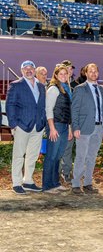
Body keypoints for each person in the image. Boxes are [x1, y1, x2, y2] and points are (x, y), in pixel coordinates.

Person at [6, 60, 46, 195]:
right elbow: (10, 105)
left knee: (32, 155)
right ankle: (17, 182)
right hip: (22, 125)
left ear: (34, 70)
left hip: (38, 126)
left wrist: (43, 121)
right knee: (18, 155)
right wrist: (13, 124)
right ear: (21, 71)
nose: (28, 71)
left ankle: (28, 181)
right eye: (25, 69)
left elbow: (42, 106)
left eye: (31, 68)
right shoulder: (16, 85)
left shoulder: (41, 86)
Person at [71, 63, 103, 194]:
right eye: (91, 71)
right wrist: (75, 127)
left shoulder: (102, 90)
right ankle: (76, 184)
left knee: (92, 157)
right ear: (86, 74)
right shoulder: (79, 89)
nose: (93, 74)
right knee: (81, 157)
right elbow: (74, 109)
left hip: (99, 128)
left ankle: (88, 183)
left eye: (95, 71)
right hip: (84, 128)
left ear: (98, 73)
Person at [42, 65, 72, 194]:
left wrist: (69, 128)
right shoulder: (53, 89)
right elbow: (48, 109)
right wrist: (52, 128)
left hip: (64, 126)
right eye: (61, 74)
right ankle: (47, 186)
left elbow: (68, 111)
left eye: (66, 73)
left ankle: (55, 183)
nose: (64, 76)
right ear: (55, 75)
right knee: (51, 156)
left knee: (58, 156)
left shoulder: (66, 89)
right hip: (56, 126)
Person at [59, 60, 76, 182]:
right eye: (67, 69)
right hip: (60, 123)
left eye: (71, 69)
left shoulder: (71, 87)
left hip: (69, 122)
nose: (70, 71)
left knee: (68, 149)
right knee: (59, 149)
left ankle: (66, 172)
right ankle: (58, 172)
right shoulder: (56, 86)